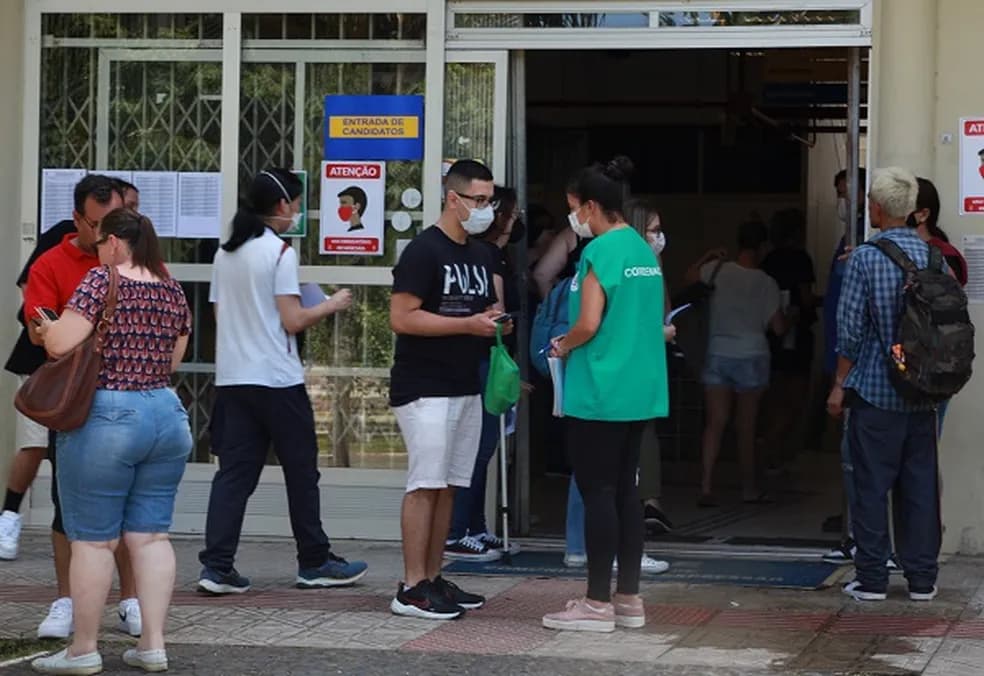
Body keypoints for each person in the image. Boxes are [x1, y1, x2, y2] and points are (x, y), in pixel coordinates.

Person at [30, 209, 193, 674]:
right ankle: (153, 644)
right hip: (165, 413)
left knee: (94, 542)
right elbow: (174, 357)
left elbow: (61, 344)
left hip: (109, 415)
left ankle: (82, 649)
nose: (98, 251)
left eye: (101, 243)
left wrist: (46, 329)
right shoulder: (171, 287)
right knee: (151, 535)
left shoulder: (103, 281)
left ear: (118, 243)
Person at [198, 169, 367, 594]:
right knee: (301, 472)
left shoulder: (226, 253)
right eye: (295, 203)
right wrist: (331, 304)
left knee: (234, 475)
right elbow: (292, 320)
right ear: (281, 206)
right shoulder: (279, 253)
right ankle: (314, 561)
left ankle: (217, 567)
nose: (296, 211)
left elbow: (220, 317)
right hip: (277, 379)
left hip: (234, 379)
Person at [542, 158, 670, 633]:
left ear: (593, 206)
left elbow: (589, 323)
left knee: (598, 492)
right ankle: (629, 599)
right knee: (628, 497)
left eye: (574, 209)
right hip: (639, 390)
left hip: (600, 390)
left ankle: (596, 603)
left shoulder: (600, 253)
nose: (573, 219)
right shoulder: (641, 249)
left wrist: (563, 343)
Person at [19, 175, 143, 640]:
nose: (106, 236)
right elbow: (38, 326)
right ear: (77, 220)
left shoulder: (137, 261)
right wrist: (48, 328)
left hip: (128, 395)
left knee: (128, 506)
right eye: (97, 225)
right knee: (65, 506)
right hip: (74, 396)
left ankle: (129, 600)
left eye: (114, 223)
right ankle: (66, 600)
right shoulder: (51, 263)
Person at [389, 159, 506, 620]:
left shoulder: (479, 254)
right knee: (425, 484)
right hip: (424, 386)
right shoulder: (423, 251)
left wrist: (491, 324)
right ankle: (411, 586)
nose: (486, 209)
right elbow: (402, 317)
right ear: (452, 199)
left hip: (465, 384)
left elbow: (477, 315)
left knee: (451, 485)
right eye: (478, 200)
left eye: (490, 200)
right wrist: (465, 324)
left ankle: (433, 577)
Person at [828, 167, 941, 603]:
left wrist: (839, 385)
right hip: (923, 392)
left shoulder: (866, 258)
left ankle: (873, 577)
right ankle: (922, 578)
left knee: (871, 484)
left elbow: (850, 332)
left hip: (877, 389)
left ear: (875, 207)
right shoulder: (935, 258)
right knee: (920, 486)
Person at [444, 185, 522, 562]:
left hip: (489, 360)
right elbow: (496, 312)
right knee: (478, 446)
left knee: (484, 446)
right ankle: (457, 531)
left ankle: (475, 527)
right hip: (484, 360)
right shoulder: (487, 256)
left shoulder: (495, 255)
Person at [688, 220, 791, 507]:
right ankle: (749, 489)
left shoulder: (717, 271)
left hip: (718, 353)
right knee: (746, 427)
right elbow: (779, 327)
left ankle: (706, 486)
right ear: (762, 247)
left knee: (715, 423)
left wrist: (708, 255)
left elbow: (689, 278)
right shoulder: (766, 282)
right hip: (752, 356)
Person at [624, 198, 675, 536]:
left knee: (645, 433)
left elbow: (663, 307)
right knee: (629, 441)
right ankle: (639, 512)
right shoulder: (627, 267)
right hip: (631, 366)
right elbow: (625, 323)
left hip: (648, 364)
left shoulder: (650, 266)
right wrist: (661, 332)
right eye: (654, 230)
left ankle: (647, 505)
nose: (659, 237)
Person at [760, 209, 819, 473]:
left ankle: (771, 448)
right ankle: (773, 446)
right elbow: (805, 298)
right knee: (795, 400)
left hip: (771, 335)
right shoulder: (801, 259)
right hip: (796, 332)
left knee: (775, 397)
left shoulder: (769, 260)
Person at [911, 177, 967, 437]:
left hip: (932, 364)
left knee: (922, 453)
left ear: (923, 214)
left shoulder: (942, 255)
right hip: (911, 363)